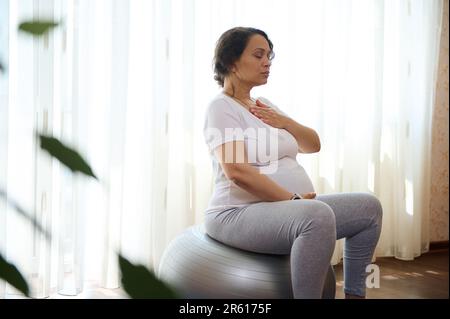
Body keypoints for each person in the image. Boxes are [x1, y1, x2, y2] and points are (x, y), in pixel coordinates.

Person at [203, 27, 383, 299]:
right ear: (231, 62)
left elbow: (313, 144)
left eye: (269, 55)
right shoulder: (221, 107)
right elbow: (237, 172)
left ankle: (356, 295)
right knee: (316, 215)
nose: (268, 62)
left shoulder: (263, 104)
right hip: (237, 212)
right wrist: (294, 200)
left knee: (369, 208)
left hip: (287, 207)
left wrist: (284, 121)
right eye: (258, 54)